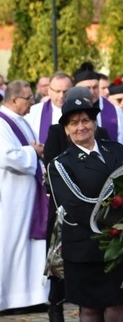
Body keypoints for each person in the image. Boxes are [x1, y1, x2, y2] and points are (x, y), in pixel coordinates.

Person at [48, 96, 123, 322]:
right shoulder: (61, 164)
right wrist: (121, 219)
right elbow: (76, 205)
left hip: (118, 244)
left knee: (118, 305)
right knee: (90, 309)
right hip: (85, 246)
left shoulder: (116, 150)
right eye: (73, 123)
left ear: (94, 123)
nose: (81, 127)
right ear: (66, 129)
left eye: (85, 120)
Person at [0, 80, 49, 315]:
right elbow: (7, 156)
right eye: (28, 98)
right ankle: (8, 298)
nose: (32, 102)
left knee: (29, 246)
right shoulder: (1, 122)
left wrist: (35, 152)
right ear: (13, 100)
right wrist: (33, 152)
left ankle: (30, 295)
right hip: (10, 199)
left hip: (28, 195)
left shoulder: (21, 121)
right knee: (11, 245)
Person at [73, 62, 123, 149]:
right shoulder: (68, 110)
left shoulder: (115, 110)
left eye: (95, 87)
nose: (92, 92)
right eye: (87, 88)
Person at [26, 71, 73, 144]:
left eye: (65, 91)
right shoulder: (33, 112)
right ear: (49, 91)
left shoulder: (81, 111)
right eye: (57, 91)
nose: (61, 96)